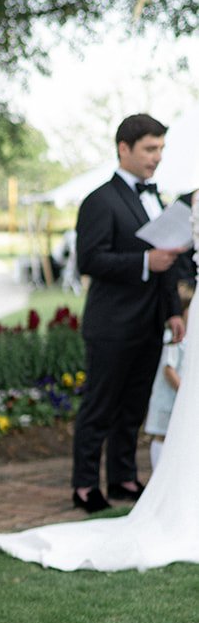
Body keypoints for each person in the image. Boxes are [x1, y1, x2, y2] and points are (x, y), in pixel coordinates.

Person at [70, 113, 185, 513]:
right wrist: (143, 262)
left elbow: (167, 259)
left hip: (151, 321)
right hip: (111, 323)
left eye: (160, 150)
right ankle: (85, 485)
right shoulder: (100, 200)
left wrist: (173, 311)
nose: (156, 158)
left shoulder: (160, 200)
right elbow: (90, 259)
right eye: (150, 149)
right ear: (124, 149)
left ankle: (122, 477)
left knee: (133, 407)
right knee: (100, 406)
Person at [145, 280, 193, 469]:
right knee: (162, 434)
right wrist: (185, 390)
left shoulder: (189, 340)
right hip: (167, 400)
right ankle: (159, 471)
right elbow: (168, 369)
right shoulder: (173, 338)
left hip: (178, 400)